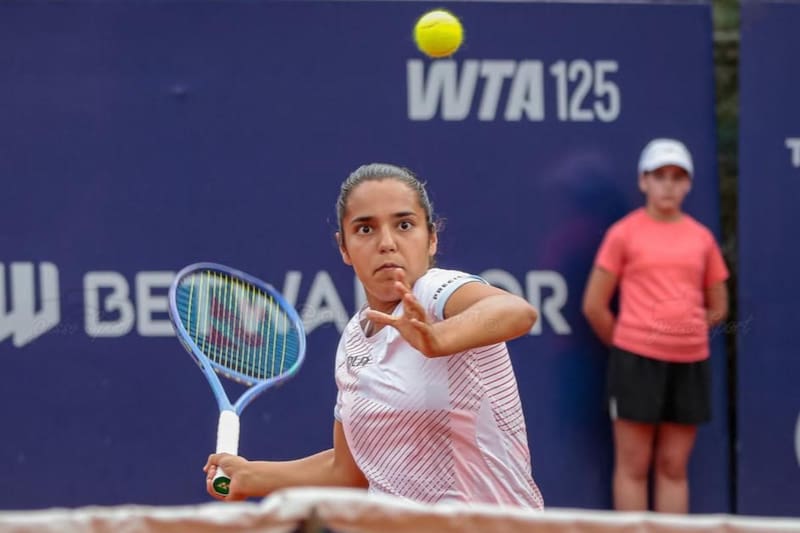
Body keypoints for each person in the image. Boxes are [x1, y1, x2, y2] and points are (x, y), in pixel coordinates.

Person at [204, 163, 545, 509]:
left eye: (404, 225)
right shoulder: (354, 339)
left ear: (431, 239)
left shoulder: (435, 291)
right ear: (344, 248)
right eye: (365, 229)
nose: (387, 243)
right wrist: (253, 476)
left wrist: (438, 338)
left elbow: (516, 312)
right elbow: (348, 472)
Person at [581, 138, 729, 513]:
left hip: (690, 364)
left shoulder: (702, 239)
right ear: (644, 181)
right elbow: (594, 305)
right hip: (634, 365)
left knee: (673, 467)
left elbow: (720, 306)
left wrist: (686, 331)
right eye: (659, 175)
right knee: (633, 467)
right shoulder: (624, 234)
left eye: (677, 177)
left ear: (688, 185)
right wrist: (631, 343)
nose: (668, 184)